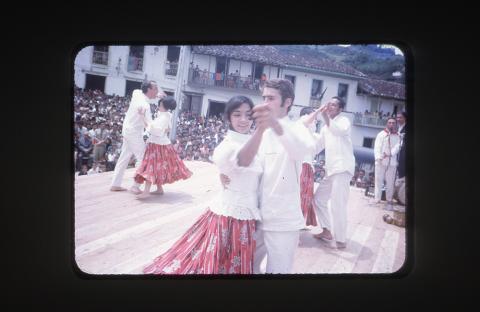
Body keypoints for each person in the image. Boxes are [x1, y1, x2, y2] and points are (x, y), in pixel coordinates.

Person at [143, 96, 264, 274]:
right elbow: (227, 159)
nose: (244, 120)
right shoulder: (228, 144)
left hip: (247, 211)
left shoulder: (252, 140)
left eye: (248, 114)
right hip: (230, 213)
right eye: (237, 115)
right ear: (228, 117)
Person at [222, 79, 315, 273]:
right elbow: (245, 165)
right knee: (246, 267)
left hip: (282, 221)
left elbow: (300, 151)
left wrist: (275, 125)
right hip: (254, 217)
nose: (264, 103)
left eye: (271, 98)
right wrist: (224, 174)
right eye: (263, 97)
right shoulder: (260, 131)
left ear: (287, 102)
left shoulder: (298, 129)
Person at [303, 97, 355, 249]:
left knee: (338, 205)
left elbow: (338, 131)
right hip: (331, 170)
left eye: (334, 104)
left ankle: (341, 240)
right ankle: (326, 231)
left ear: (340, 109)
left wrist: (324, 116)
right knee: (318, 199)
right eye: (329, 103)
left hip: (343, 168)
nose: (330, 106)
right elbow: (315, 147)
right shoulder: (325, 128)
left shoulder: (344, 120)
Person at [109, 81, 165, 194]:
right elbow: (149, 125)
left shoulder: (137, 93)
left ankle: (115, 184)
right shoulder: (145, 106)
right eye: (155, 89)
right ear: (149, 90)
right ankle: (136, 185)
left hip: (127, 129)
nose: (157, 91)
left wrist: (157, 95)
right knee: (144, 158)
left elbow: (142, 92)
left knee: (124, 157)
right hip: (133, 132)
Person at [134, 97, 192, 199]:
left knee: (151, 167)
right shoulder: (165, 116)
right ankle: (159, 189)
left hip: (157, 145)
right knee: (156, 166)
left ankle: (146, 191)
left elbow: (155, 130)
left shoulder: (164, 117)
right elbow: (159, 128)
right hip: (160, 144)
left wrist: (143, 116)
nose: (158, 106)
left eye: (160, 105)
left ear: (165, 107)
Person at [373, 117, 401, 210]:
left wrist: (389, 154)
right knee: (378, 181)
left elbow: (398, 147)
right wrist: (378, 157)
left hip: (392, 162)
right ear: (387, 123)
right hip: (380, 161)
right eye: (390, 122)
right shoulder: (381, 134)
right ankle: (377, 199)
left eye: (393, 123)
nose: (391, 124)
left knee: (390, 182)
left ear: (396, 124)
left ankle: (389, 199)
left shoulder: (398, 135)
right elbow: (377, 147)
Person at [298, 107, 318, 228]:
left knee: (306, 197)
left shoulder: (311, 135)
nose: (315, 121)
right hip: (303, 166)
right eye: (313, 117)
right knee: (301, 198)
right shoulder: (301, 126)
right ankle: (296, 226)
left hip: (308, 167)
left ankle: (299, 224)